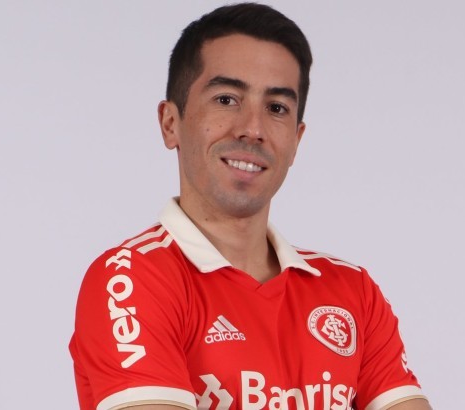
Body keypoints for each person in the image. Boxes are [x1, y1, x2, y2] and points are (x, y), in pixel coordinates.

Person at [69, 3, 431, 410]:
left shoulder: (352, 291)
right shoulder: (131, 279)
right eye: (226, 99)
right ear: (171, 123)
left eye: (276, 108)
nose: (253, 129)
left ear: (296, 140)